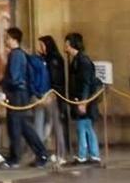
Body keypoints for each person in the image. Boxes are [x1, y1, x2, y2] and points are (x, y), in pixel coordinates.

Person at [1, 23, 50, 167]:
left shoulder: (15, 55)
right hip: (22, 94)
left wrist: (4, 83)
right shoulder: (21, 54)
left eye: (7, 38)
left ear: (12, 39)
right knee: (24, 127)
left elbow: (15, 78)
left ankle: (15, 158)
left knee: (15, 126)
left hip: (17, 95)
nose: (5, 40)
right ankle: (41, 153)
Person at [65, 32, 105, 165]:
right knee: (85, 126)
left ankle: (84, 154)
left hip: (84, 100)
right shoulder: (77, 60)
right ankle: (92, 154)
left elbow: (86, 82)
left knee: (83, 126)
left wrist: (84, 101)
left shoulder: (82, 61)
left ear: (70, 44)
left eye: (66, 43)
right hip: (81, 98)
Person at [37, 34, 71, 164]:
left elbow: (55, 78)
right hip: (50, 94)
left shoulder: (54, 59)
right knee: (49, 124)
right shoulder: (48, 58)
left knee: (57, 125)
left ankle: (61, 153)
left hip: (55, 95)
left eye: (41, 45)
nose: (40, 47)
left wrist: (53, 92)